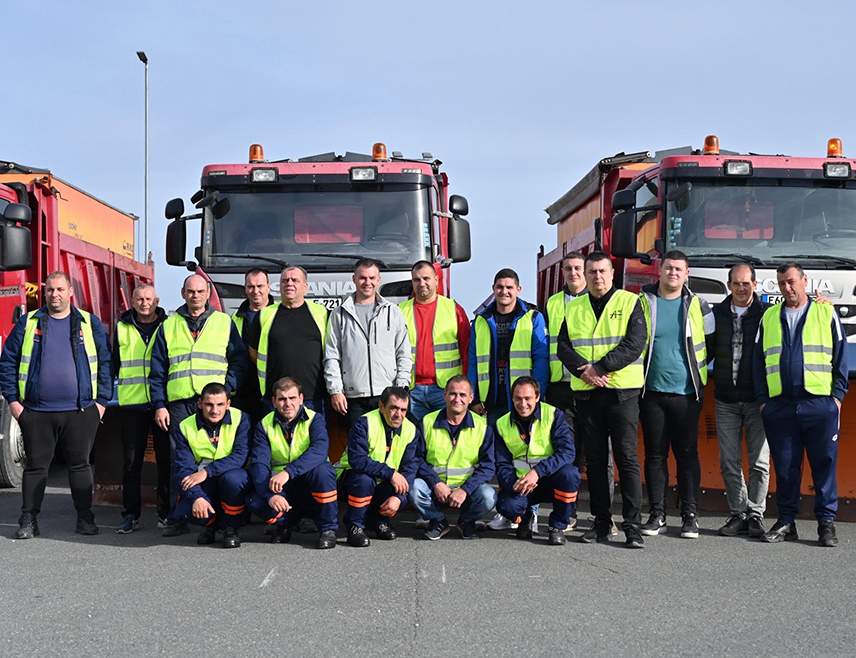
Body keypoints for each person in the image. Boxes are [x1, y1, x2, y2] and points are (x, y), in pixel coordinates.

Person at [0, 271, 112, 539]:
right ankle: (29, 519)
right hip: (37, 411)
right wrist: (14, 402)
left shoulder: (89, 323)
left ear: (70, 291)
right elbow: (8, 361)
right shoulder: (29, 322)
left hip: (80, 410)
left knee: (80, 466)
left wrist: (101, 403)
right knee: (35, 468)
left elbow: (106, 362)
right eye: (50, 290)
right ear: (45, 292)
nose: (55, 295)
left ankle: (84, 518)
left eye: (60, 289)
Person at [753, 262, 848, 547]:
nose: (787, 288)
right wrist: (764, 402)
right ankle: (786, 521)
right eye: (782, 283)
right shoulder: (769, 316)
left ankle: (826, 524)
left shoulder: (825, 312)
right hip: (780, 407)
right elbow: (757, 362)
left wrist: (836, 399)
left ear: (805, 280)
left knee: (824, 465)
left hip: (819, 405)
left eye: (791, 281)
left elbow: (841, 356)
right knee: (785, 468)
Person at [558, 252, 647, 548]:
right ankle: (601, 523)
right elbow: (563, 347)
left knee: (626, 459)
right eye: (592, 272)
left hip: (622, 392)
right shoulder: (573, 307)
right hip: (587, 393)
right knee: (595, 461)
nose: (597, 276)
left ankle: (632, 526)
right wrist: (585, 371)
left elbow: (635, 343)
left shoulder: (630, 301)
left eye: (602, 271)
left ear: (612, 273)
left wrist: (601, 367)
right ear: (585, 275)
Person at [149, 274, 246, 528]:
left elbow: (239, 361)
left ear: (208, 293)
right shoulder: (169, 325)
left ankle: (223, 512)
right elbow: (157, 370)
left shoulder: (224, 322)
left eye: (200, 291)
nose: (196, 296)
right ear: (183, 293)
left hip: (215, 404)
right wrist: (159, 404)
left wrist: (226, 390)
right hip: (180, 403)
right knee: (179, 460)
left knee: (220, 454)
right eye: (191, 291)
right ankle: (178, 517)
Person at [638, 251, 714, 539]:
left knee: (686, 454)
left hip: (687, 393)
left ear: (686, 273)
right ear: (659, 271)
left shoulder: (699, 305)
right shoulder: (642, 302)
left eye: (678, 269)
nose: (673, 273)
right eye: (668, 268)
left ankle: (690, 516)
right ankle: (657, 514)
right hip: (650, 392)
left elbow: (712, 343)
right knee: (655, 455)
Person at [469, 268, 548, 532]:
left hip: (523, 402)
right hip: (493, 400)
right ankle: (506, 511)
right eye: (500, 287)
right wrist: (474, 397)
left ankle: (530, 512)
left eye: (509, 287)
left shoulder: (532, 317)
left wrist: (536, 395)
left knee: (527, 457)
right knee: (501, 459)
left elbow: (541, 358)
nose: (504, 291)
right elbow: (473, 360)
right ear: (493, 289)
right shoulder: (481, 320)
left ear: (518, 290)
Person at [545, 251, 615, 533]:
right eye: (568, 269)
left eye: (577, 268)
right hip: (561, 388)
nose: (573, 273)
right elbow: (552, 346)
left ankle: (605, 516)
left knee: (601, 456)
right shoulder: (552, 303)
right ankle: (568, 513)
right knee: (567, 453)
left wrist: (591, 373)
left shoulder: (599, 302)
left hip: (594, 387)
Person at [708, 264, 770, 538]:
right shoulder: (716, 314)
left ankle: (755, 514)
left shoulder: (768, 315)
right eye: (736, 283)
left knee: (759, 462)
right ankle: (738, 513)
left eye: (746, 283)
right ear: (729, 285)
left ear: (755, 285)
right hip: (725, 399)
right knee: (728, 460)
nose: (741, 288)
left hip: (757, 400)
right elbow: (703, 350)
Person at [247, 377, 338, 549]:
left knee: (324, 472)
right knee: (254, 501)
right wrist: (270, 495)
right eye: (282, 399)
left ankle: (327, 529)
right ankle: (285, 525)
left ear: (301, 399)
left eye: (292, 398)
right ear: (274, 402)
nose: (287, 404)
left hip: (308, 481)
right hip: (280, 486)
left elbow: (319, 451)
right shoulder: (263, 425)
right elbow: (259, 464)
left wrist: (288, 472)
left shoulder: (315, 419)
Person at [325, 258, 411, 430]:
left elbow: (403, 353)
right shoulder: (339, 314)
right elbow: (332, 355)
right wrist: (336, 390)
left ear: (378, 280)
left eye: (372, 278)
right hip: (353, 399)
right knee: (357, 444)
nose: (367, 282)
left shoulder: (393, 312)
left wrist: (401, 388)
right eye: (362, 278)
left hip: (387, 397)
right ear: (354, 279)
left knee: (388, 443)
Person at [494, 376, 580, 546]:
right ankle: (525, 519)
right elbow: (501, 464)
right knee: (506, 505)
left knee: (570, 475)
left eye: (528, 398)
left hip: (550, 481)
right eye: (518, 398)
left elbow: (567, 452)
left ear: (538, 397)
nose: (523, 404)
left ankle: (557, 526)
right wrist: (513, 484)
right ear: (512, 398)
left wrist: (537, 472)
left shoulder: (553, 415)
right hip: (522, 484)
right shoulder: (501, 424)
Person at [409, 375, 496, 540]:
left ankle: (466, 521)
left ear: (471, 398)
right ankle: (437, 520)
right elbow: (416, 459)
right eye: (453, 394)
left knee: (488, 496)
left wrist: (465, 489)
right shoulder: (427, 421)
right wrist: (436, 483)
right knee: (413, 489)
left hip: (467, 490)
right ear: (444, 395)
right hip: (435, 487)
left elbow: (488, 466)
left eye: (463, 395)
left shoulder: (483, 426)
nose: (457, 399)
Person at [165, 382, 250, 548]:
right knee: (185, 511)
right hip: (203, 482)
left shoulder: (241, 418)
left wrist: (207, 471)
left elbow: (241, 456)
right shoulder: (185, 426)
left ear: (228, 404)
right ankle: (210, 526)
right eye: (209, 404)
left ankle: (231, 528)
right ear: (200, 403)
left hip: (230, 476)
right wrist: (197, 497)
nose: (214, 410)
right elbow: (183, 468)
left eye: (220, 404)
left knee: (235, 480)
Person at [113, 283, 170, 533]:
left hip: (163, 404)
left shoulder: (169, 325)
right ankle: (130, 515)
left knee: (166, 461)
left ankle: (166, 513)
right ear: (133, 301)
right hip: (132, 404)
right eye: (139, 299)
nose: (144, 303)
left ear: (157, 301)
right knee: (131, 463)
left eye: (148, 299)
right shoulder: (122, 327)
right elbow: (114, 363)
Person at [338, 386, 420, 547]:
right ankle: (355, 526)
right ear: (381, 407)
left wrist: (399, 498)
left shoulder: (411, 429)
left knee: (400, 484)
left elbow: (410, 467)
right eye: (393, 408)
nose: (398, 414)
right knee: (365, 480)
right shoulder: (365, 423)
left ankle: (379, 521)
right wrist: (391, 474)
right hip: (349, 477)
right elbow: (357, 460)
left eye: (403, 410)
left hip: (382, 479)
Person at [249, 266, 328, 413]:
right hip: (276, 399)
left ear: (305, 287)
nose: (289, 283)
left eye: (295, 280)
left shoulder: (321, 313)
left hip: (313, 398)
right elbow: (254, 353)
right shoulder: (264, 315)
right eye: (285, 281)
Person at [399, 260, 470, 422]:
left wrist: (465, 387)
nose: (421, 283)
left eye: (426, 278)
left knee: (446, 435)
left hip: (447, 390)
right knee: (416, 437)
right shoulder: (400, 311)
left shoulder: (454, 309)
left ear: (436, 280)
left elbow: (467, 351)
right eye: (417, 280)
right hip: (412, 390)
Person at [231, 268, 274, 423]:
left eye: (260, 286)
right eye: (251, 287)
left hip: (272, 393)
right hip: (243, 392)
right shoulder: (234, 319)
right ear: (245, 288)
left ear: (268, 287)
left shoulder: (280, 315)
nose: (255, 291)